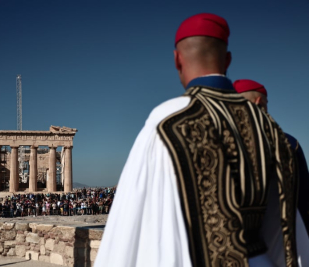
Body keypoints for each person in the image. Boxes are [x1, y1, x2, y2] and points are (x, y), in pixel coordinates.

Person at [95, 13, 308, 267]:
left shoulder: (167, 121)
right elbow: (283, 226)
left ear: (177, 59)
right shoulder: (271, 129)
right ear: (227, 59)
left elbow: (132, 221)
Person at [233, 78, 309, 236]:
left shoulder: (218, 141)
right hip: (281, 241)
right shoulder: (289, 143)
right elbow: (303, 198)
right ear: (259, 101)